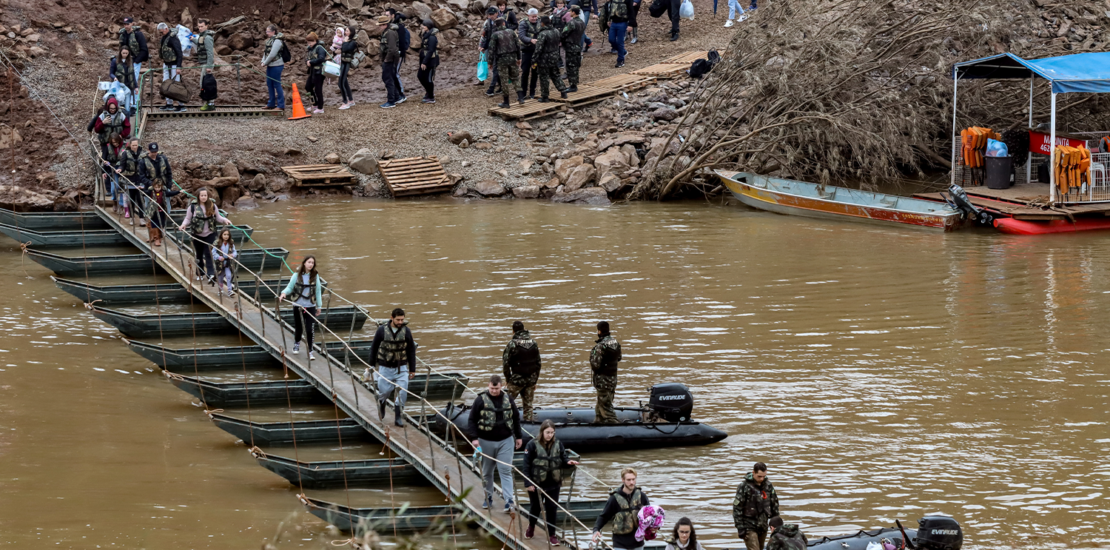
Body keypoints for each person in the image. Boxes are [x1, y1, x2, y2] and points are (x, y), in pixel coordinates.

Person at [467, 374, 523, 513]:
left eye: (496, 389)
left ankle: (509, 501)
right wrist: (474, 438)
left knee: (505, 470)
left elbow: (516, 418)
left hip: (505, 441)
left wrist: (519, 437)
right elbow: (472, 420)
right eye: (492, 388)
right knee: (487, 472)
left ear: (501, 386)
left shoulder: (509, 399)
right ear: (488, 386)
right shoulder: (480, 400)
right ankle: (488, 497)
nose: (494, 391)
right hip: (485, 441)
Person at [523, 419, 579, 544]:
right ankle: (531, 527)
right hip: (536, 483)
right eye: (547, 432)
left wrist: (569, 462)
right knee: (535, 507)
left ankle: (552, 534)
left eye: (552, 432)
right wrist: (528, 483)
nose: (550, 435)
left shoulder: (558, 444)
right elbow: (526, 466)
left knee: (552, 508)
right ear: (542, 432)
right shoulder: (532, 445)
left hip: (553, 483)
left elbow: (563, 458)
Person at [369, 308, 417, 426]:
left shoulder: (406, 331)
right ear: (392, 318)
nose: (400, 322)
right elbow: (374, 348)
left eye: (402, 320)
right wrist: (371, 365)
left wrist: (412, 369)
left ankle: (398, 417)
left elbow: (411, 350)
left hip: (401, 368)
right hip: (385, 367)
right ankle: (382, 403)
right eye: (398, 320)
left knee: (402, 392)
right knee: (384, 391)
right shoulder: (381, 330)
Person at [178, 186, 230, 282]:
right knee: (199, 254)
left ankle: (210, 274)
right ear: (198, 196)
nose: (203, 197)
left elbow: (218, 217)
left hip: (210, 233)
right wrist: (183, 225)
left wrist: (225, 220)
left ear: (207, 196)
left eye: (205, 195)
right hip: (197, 234)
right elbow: (188, 218)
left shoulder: (212, 205)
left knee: (209, 253)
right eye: (201, 195)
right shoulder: (192, 207)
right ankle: (200, 273)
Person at [593, 468, 650, 550]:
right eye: (628, 480)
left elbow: (650, 515)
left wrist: (655, 528)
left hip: (638, 542)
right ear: (623, 480)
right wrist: (596, 530)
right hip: (620, 543)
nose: (631, 482)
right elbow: (604, 516)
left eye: (633, 479)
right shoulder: (614, 498)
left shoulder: (642, 496)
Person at [279, 256, 324, 359]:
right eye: (309, 262)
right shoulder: (296, 275)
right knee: (299, 327)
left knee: (309, 329)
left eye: (312, 263)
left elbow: (318, 291)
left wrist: (319, 306)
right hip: (298, 306)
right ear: (304, 263)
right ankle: (297, 343)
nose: (311, 264)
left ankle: (310, 351)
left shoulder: (315, 276)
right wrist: (283, 293)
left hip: (310, 306)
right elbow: (290, 287)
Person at [732, 462, 780, 550]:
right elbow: (737, 508)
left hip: (763, 525)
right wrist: (740, 527)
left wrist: (776, 522)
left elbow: (774, 503)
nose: (762, 479)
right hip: (749, 525)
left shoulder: (768, 485)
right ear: (753, 472)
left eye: (764, 476)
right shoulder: (744, 487)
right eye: (759, 476)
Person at [503, 320, 541, 421]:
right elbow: (538, 363)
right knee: (528, 406)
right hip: (530, 380)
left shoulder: (512, 344)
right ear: (524, 329)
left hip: (516, 380)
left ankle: (505, 424)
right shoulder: (534, 343)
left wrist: (508, 379)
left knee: (505, 404)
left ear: (513, 331)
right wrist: (535, 380)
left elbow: (505, 363)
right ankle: (528, 424)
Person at [590, 320, 621, 423]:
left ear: (599, 331)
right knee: (601, 405)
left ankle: (617, 427)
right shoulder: (616, 343)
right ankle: (598, 422)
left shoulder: (600, 346)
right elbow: (619, 358)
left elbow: (595, 365)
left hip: (603, 381)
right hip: (612, 380)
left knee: (607, 409)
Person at [489, 18, 523, 108]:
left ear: (496, 25)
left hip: (501, 59)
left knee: (504, 80)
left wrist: (490, 62)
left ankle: (506, 102)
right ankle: (520, 97)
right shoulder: (511, 32)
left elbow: (491, 49)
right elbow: (518, 45)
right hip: (513, 57)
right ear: (504, 23)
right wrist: (519, 57)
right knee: (515, 77)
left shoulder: (495, 35)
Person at [533, 16, 567, 103]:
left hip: (544, 58)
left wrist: (534, 59)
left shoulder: (543, 34)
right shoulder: (556, 31)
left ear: (542, 23)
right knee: (555, 74)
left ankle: (545, 96)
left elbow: (538, 49)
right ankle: (563, 91)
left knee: (544, 77)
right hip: (555, 56)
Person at [157, 22, 185, 112]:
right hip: (166, 64)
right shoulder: (164, 38)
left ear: (166, 29)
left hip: (174, 65)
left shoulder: (173, 38)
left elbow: (179, 53)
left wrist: (179, 67)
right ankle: (169, 103)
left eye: (162, 32)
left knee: (176, 85)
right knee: (166, 84)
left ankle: (181, 104)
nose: (161, 34)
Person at [142, 177, 179, 247]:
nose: (157, 189)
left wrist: (179, 191)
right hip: (153, 211)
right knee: (153, 224)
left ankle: (157, 237)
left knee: (161, 224)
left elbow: (170, 193)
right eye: (155, 187)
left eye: (158, 187)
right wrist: (141, 190)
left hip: (161, 211)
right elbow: (144, 193)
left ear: (161, 186)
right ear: (153, 186)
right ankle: (155, 238)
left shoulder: (164, 192)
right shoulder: (151, 191)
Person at [117, 138, 144, 221]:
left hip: (140, 179)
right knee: (131, 199)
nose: (134, 147)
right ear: (130, 145)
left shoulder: (143, 153)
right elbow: (122, 164)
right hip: (130, 179)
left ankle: (141, 218)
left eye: (136, 145)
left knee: (140, 199)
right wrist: (120, 169)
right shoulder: (125, 153)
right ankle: (132, 217)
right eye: (133, 145)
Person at [599, 0, 633, 67]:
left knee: (620, 42)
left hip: (623, 22)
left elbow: (631, 11)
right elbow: (610, 9)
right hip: (613, 23)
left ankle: (620, 60)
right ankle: (623, 51)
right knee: (611, 39)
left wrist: (631, 24)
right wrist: (609, 19)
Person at [378, 16, 403, 109]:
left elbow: (392, 49)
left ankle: (391, 101)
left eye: (380, 25)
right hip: (390, 59)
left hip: (390, 60)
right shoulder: (387, 32)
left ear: (384, 24)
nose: (379, 27)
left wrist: (386, 59)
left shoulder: (390, 33)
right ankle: (397, 97)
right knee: (390, 78)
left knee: (388, 79)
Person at [387, 9, 411, 101]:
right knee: (393, 73)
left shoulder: (399, 27)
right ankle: (397, 93)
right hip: (395, 53)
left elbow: (401, 42)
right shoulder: (393, 26)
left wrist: (399, 53)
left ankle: (401, 94)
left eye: (387, 15)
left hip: (398, 54)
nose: (386, 17)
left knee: (395, 73)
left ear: (393, 15)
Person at [561, 6, 586, 93]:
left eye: (570, 11)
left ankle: (573, 85)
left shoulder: (571, 23)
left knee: (571, 66)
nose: (569, 13)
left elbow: (564, 33)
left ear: (573, 12)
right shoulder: (582, 22)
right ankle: (574, 83)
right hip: (577, 45)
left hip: (570, 47)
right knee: (575, 65)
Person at [517, 9, 541, 100]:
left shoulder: (539, 22)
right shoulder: (523, 23)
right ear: (528, 16)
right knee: (525, 72)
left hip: (536, 51)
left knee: (535, 72)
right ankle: (523, 92)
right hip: (526, 51)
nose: (534, 18)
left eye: (536, 16)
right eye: (532, 17)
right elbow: (521, 36)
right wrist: (530, 40)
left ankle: (532, 92)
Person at [261, 25, 286, 111]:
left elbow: (272, 54)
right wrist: (263, 61)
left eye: (268, 31)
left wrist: (265, 62)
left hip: (277, 65)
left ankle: (281, 105)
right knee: (269, 84)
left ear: (273, 31)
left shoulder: (277, 41)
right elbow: (266, 52)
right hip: (270, 66)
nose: (267, 33)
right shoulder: (270, 40)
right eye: (266, 31)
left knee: (277, 84)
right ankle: (271, 103)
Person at [118, 17, 149, 86]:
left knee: (133, 80)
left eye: (128, 24)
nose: (126, 26)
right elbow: (120, 48)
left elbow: (144, 49)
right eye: (125, 24)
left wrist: (137, 60)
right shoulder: (123, 35)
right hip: (125, 60)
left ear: (132, 24)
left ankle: (134, 93)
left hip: (135, 60)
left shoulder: (138, 34)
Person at [194, 18, 216, 111]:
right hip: (203, 62)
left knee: (206, 84)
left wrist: (209, 66)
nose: (200, 28)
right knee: (204, 84)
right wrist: (193, 40)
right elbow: (200, 43)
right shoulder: (202, 36)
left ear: (206, 26)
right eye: (199, 26)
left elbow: (210, 53)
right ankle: (208, 102)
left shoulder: (207, 38)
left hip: (206, 63)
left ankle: (210, 103)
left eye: (202, 26)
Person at [109, 47, 138, 115]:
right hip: (120, 85)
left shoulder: (130, 61)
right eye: (123, 53)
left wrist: (136, 87)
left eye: (126, 53)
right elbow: (111, 73)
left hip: (129, 84)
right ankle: (118, 114)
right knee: (119, 101)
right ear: (120, 53)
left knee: (127, 103)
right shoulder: (115, 61)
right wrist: (114, 77)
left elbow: (133, 74)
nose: (125, 55)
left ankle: (127, 114)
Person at [479, 7, 501, 96]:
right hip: (491, 48)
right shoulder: (488, 23)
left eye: (492, 14)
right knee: (495, 68)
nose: (491, 16)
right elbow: (485, 36)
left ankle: (491, 89)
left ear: (497, 14)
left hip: (500, 49)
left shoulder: (501, 22)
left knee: (495, 68)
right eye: (489, 14)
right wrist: (483, 46)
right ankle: (501, 86)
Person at [304, 32, 328, 114]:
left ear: (315, 40)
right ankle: (315, 104)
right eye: (308, 42)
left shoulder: (320, 48)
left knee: (318, 89)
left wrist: (311, 62)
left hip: (319, 72)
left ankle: (320, 107)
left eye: (310, 42)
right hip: (312, 71)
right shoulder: (310, 48)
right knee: (308, 87)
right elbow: (307, 58)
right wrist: (307, 61)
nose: (309, 44)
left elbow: (321, 58)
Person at [417, 20, 439, 104]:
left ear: (428, 26)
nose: (422, 27)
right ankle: (428, 91)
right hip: (424, 60)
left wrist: (424, 62)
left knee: (428, 79)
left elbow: (430, 51)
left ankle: (431, 97)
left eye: (424, 25)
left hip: (430, 61)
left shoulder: (432, 37)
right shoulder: (426, 35)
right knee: (420, 76)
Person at [100, 133, 124, 208]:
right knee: (114, 189)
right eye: (113, 142)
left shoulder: (125, 146)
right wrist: (103, 171)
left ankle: (122, 204)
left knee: (124, 188)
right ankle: (115, 201)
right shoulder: (107, 147)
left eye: (117, 142)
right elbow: (104, 159)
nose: (116, 144)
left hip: (123, 169)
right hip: (113, 169)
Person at [337, 26, 358, 110]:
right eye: (345, 31)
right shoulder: (347, 41)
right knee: (344, 82)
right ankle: (351, 100)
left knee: (341, 82)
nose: (345, 32)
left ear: (351, 32)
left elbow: (346, 49)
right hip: (343, 62)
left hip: (347, 63)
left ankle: (345, 102)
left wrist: (345, 42)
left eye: (347, 31)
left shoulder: (353, 42)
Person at [212, 228, 238, 296]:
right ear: (221, 235)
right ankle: (221, 290)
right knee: (220, 277)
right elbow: (213, 252)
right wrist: (219, 257)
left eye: (228, 235)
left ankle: (229, 290)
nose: (226, 236)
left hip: (227, 263)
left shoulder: (231, 243)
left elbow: (235, 252)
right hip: (220, 263)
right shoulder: (217, 243)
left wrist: (232, 255)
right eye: (224, 234)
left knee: (228, 276)